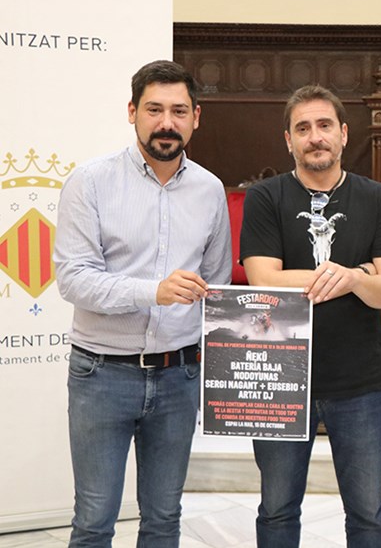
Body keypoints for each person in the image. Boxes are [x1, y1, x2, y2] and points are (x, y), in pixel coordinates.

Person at [53, 60, 232, 547]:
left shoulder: (210, 190)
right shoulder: (90, 182)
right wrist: (153, 290)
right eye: (154, 109)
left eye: (179, 111)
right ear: (132, 112)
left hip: (179, 376)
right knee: (94, 521)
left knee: (164, 518)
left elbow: (215, 286)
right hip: (101, 375)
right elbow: (74, 279)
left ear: (196, 117)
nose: (166, 123)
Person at [239, 84, 381, 548]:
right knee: (276, 509)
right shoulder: (264, 197)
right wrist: (359, 275)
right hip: (277, 379)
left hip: (358, 383)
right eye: (303, 128)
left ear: (344, 133)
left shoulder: (377, 198)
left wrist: (354, 279)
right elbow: (262, 280)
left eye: (324, 125)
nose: (315, 137)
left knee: (367, 514)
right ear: (288, 140)